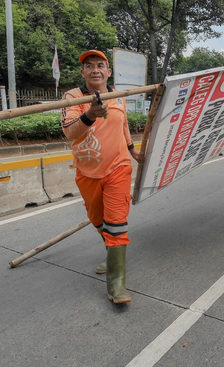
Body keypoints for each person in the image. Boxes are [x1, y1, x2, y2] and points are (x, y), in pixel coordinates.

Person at [61, 49, 141, 304]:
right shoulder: (73, 97)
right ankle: (110, 252)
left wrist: (132, 150)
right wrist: (91, 114)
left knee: (116, 222)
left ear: (108, 71)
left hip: (118, 168)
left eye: (100, 65)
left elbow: (124, 126)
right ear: (82, 72)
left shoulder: (119, 96)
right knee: (98, 219)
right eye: (89, 66)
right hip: (87, 172)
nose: (95, 69)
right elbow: (70, 133)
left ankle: (116, 286)